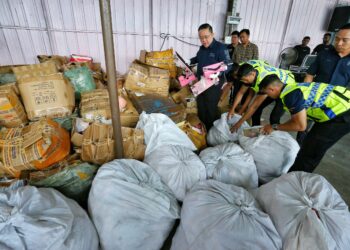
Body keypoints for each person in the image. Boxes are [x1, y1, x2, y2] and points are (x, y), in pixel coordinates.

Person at [259, 74, 350, 173]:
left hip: (342, 112)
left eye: (267, 93)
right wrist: (274, 127)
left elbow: (301, 126)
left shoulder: (290, 96)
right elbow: (297, 120)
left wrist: (274, 127)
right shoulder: (292, 87)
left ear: (271, 89)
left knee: (310, 152)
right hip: (340, 104)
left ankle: (293, 181)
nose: (268, 96)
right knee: (308, 145)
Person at [228, 60, 295, 131]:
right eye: (243, 81)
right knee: (257, 111)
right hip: (273, 86)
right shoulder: (245, 71)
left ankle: (275, 137)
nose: (245, 82)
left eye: (246, 80)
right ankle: (256, 132)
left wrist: (239, 123)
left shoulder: (262, 81)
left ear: (252, 74)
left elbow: (254, 106)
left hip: (286, 87)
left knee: (274, 117)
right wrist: (233, 110)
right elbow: (241, 92)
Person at [190, 23, 232, 130]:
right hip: (201, 82)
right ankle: (204, 130)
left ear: (213, 34)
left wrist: (220, 70)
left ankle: (212, 131)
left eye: (206, 37)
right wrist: (189, 61)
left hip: (213, 84)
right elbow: (197, 58)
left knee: (210, 109)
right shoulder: (202, 49)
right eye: (201, 38)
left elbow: (229, 64)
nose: (204, 40)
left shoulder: (221, 48)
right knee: (201, 107)